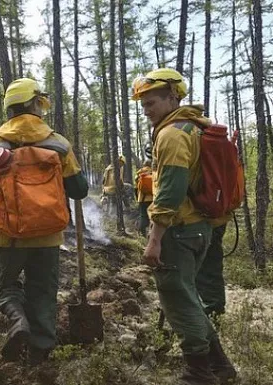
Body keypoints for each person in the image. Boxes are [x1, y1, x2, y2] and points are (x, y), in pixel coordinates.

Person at [0, 78, 88, 365]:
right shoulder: (59, 144)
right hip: (48, 237)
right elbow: (79, 190)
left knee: (3, 286)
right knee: (43, 292)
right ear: (36, 104)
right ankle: (40, 355)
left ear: (9, 108)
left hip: (8, 236)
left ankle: (18, 319)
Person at [132, 68, 237, 384]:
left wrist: (155, 239)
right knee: (189, 298)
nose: (146, 111)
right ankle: (220, 366)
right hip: (198, 228)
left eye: (151, 103)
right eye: (143, 105)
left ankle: (197, 373)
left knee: (178, 302)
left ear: (173, 97)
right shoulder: (193, 128)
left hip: (179, 230)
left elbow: (171, 191)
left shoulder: (172, 134)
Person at [135, 160, 153, 237]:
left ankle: (142, 234)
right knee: (152, 216)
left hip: (142, 198)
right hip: (152, 198)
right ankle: (151, 233)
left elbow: (136, 186)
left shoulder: (139, 173)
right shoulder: (154, 172)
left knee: (143, 215)